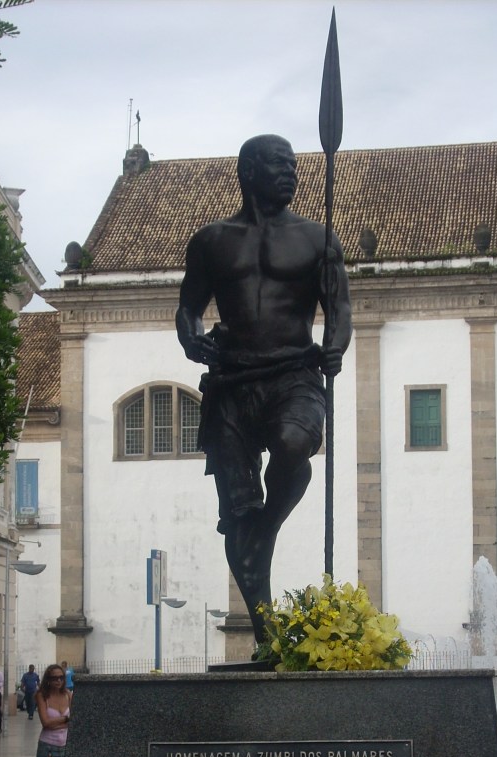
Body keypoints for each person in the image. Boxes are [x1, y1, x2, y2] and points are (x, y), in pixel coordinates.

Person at [176, 134, 353, 642]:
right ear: (248, 171)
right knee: (236, 515)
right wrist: (189, 336)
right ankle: (266, 633)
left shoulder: (317, 238)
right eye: (279, 165)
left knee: (296, 443)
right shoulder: (212, 240)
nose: (291, 174)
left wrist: (334, 344)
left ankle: (269, 523)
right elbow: (189, 305)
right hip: (231, 382)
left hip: (293, 372)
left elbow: (339, 307)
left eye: (295, 167)